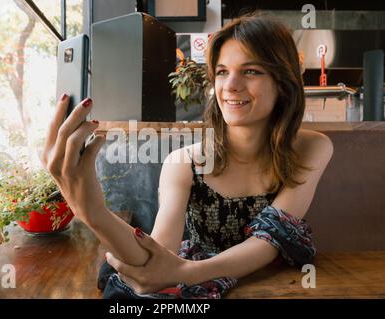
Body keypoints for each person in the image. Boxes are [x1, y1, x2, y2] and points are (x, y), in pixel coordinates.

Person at [42, 12, 333, 298]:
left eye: (251, 71)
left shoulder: (312, 148)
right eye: (222, 71)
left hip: (278, 286)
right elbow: (158, 256)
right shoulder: (184, 163)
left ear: (283, 83)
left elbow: (267, 241)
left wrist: (185, 272)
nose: (230, 85)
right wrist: (94, 213)